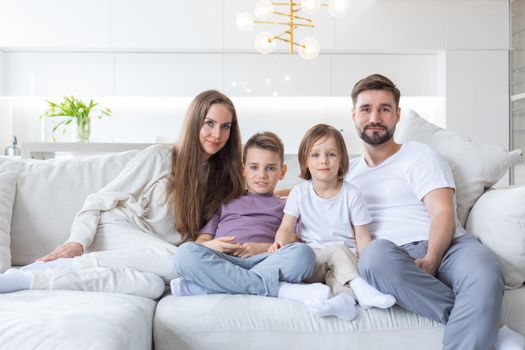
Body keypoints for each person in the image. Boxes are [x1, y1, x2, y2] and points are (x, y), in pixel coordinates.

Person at [0, 90, 247, 298]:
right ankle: (40, 270)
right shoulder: (160, 157)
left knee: (149, 286)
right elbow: (96, 202)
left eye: (225, 127)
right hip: (116, 229)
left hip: (148, 253)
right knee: (183, 262)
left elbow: (252, 204)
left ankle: (29, 280)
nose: (217, 135)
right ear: (195, 123)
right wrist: (77, 242)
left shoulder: (223, 180)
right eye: (209, 123)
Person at [347, 74, 525, 350]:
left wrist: (433, 257)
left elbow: (442, 211)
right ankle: (494, 329)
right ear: (354, 115)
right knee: (372, 257)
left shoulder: (420, 155)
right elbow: (307, 195)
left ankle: (480, 328)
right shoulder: (345, 174)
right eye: (366, 109)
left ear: (397, 115)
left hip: (450, 246)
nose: (375, 117)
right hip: (393, 256)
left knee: (486, 271)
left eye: (384, 109)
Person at [171, 131, 332, 307]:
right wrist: (213, 245)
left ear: (282, 171)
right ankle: (279, 289)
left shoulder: (288, 205)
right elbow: (202, 241)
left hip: (266, 261)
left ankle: (214, 286)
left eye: (270, 168)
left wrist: (262, 249)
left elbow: (295, 240)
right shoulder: (224, 201)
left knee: (304, 255)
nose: (261, 174)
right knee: (183, 255)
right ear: (243, 170)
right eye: (254, 167)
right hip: (224, 259)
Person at [270, 124, 396, 321]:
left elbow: (363, 236)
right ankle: (362, 289)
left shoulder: (352, 194)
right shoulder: (299, 193)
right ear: (305, 160)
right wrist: (280, 244)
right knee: (334, 252)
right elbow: (286, 227)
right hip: (313, 261)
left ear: (342, 160)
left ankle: (345, 303)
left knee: (338, 273)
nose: (324, 161)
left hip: (345, 260)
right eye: (315, 155)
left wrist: (367, 266)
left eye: (331, 154)